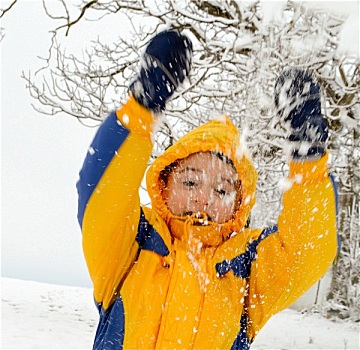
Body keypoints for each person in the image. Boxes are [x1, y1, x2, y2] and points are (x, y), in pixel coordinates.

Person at [77, 29, 338, 350]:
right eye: (189, 182)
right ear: (164, 183)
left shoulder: (247, 268)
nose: (203, 198)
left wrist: (308, 161)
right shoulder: (130, 246)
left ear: (239, 205)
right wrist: (140, 109)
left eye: (222, 191)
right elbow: (102, 193)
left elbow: (307, 250)